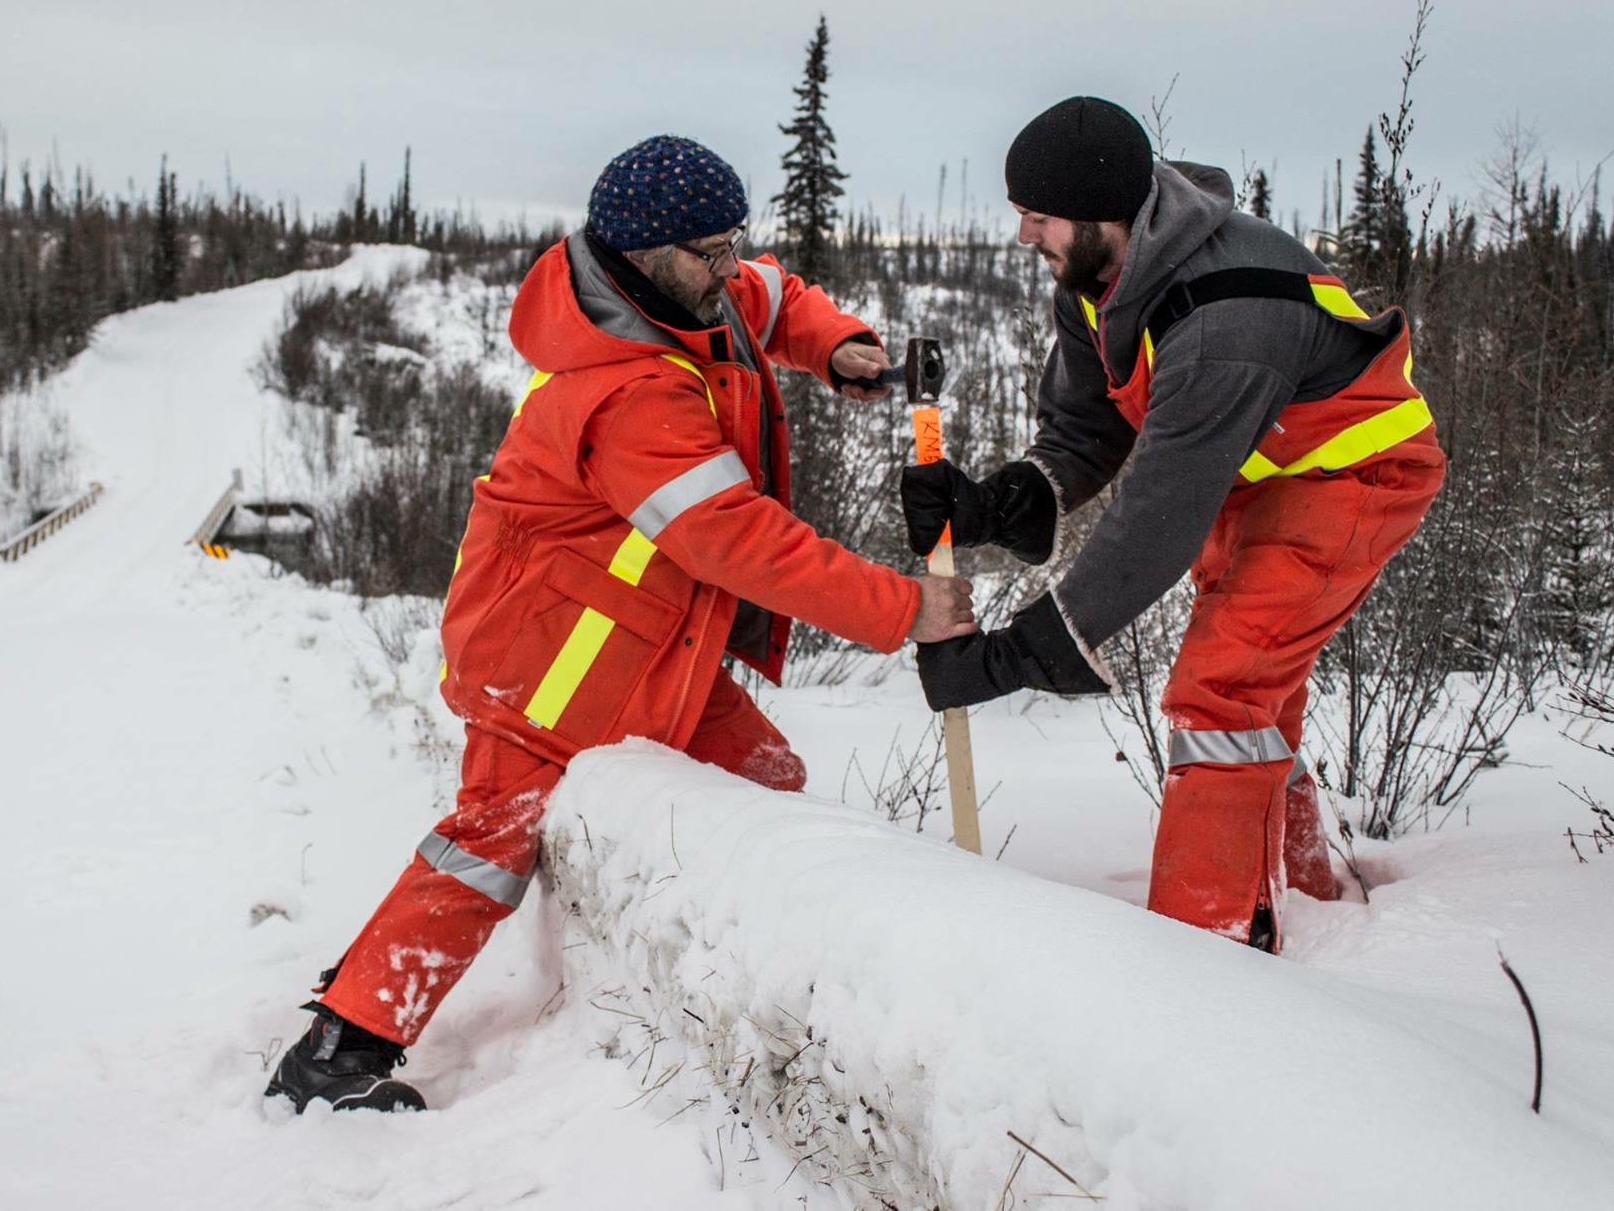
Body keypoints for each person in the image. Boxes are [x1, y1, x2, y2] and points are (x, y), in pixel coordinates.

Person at [268, 134, 974, 1113]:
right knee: (490, 837)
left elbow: (770, 294)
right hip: (551, 657)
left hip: (640, 644)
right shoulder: (627, 391)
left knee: (763, 778)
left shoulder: (679, 284)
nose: (732, 266)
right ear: (647, 256)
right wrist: (906, 607)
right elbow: (735, 539)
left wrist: (833, 340)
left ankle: (680, 967)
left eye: (734, 242)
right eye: (712, 250)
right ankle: (338, 1052)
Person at [901, 97, 1445, 953]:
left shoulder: (1225, 317)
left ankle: (1209, 950)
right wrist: (998, 502)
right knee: (1254, 690)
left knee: (1221, 688)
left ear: (1098, 216)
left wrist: (1021, 651)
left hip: (1350, 476)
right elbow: (1088, 431)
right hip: (1252, 474)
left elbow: (1156, 517)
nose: (1023, 238)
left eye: (1036, 219)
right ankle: (1302, 889)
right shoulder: (1098, 282)